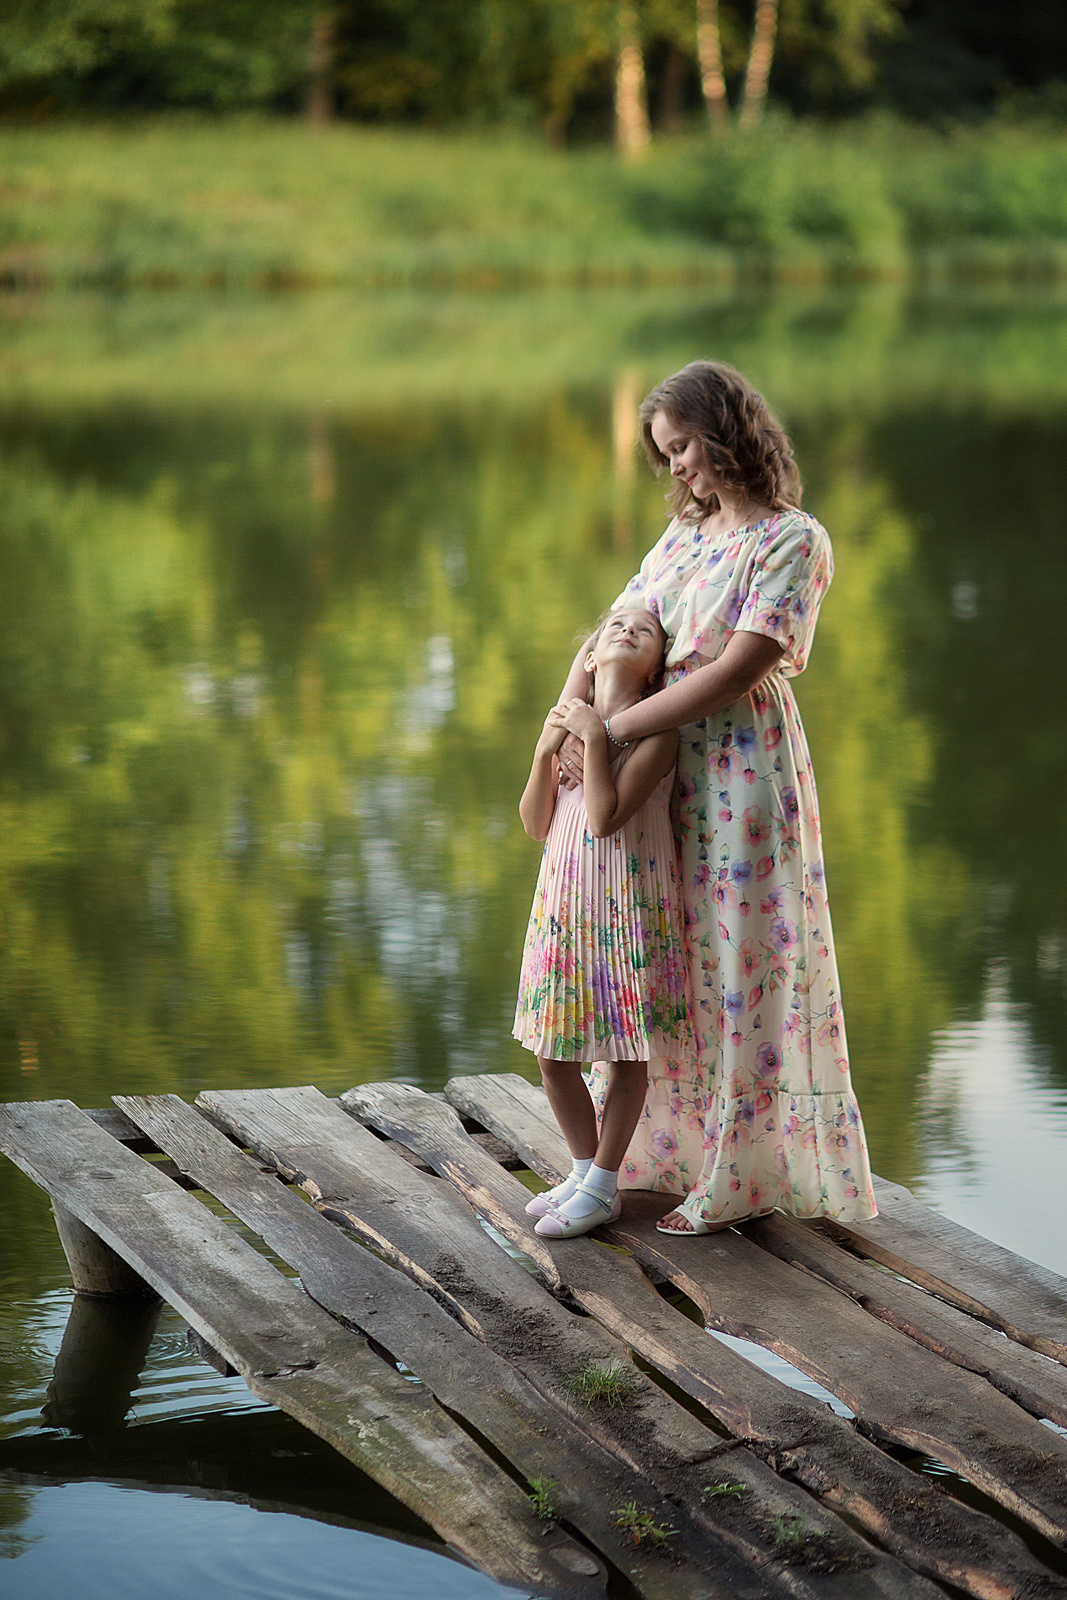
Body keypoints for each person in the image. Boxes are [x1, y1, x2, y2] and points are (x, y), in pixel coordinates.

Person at [555, 360, 877, 1235]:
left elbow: (738, 669)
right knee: (667, 953)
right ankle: (665, 1150)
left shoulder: (792, 540)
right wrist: (566, 726)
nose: (676, 471)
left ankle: (738, 1169)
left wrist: (610, 732)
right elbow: (607, 633)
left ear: (726, 431)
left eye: (684, 448)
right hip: (658, 774)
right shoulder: (684, 536)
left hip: (739, 773)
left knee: (738, 962)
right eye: (664, 457)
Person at [513, 608, 691, 1238]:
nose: (625, 631)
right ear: (589, 656)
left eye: (644, 632)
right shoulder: (567, 729)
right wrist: (544, 751)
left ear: (655, 669)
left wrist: (592, 738)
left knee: (624, 1048)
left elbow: (602, 818)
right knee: (551, 1048)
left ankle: (605, 1183)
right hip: (564, 903)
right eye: (615, 625)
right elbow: (537, 824)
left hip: (627, 901)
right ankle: (582, 1169)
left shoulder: (657, 734)